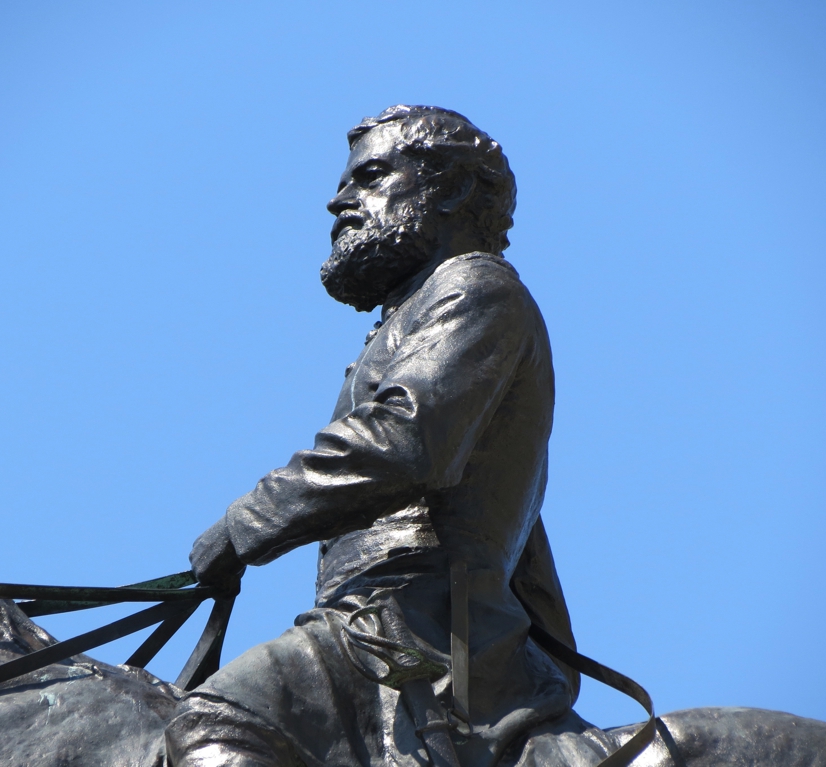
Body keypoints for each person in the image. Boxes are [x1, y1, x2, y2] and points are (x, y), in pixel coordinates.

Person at [164, 106, 619, 767]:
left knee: (215, 722)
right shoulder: (410, 318)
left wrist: (246, 522)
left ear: (454, 189)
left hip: (416, 628)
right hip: (386, 627)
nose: (339, 199)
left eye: (370, 176)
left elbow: (405, 437)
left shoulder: (474, 286)